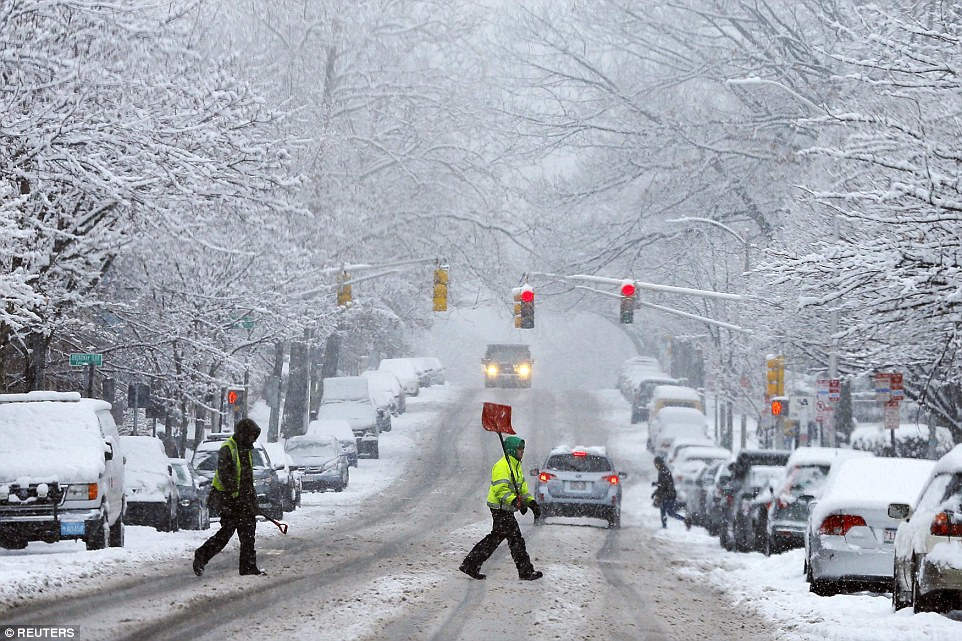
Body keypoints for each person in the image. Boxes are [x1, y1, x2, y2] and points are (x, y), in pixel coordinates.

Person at [459, 435, 543, 581]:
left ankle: (471, 564)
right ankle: (525, 571)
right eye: (519, 449)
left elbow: (522, 489)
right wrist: (513, 501)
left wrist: (531, 503)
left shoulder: (516, 466)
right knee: (515, 539)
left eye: (523, 449)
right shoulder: (502, 466)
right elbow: (500, 489)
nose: (522, 452)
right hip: (499, 507)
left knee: (497, 538)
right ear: (511, 450)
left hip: (506, 508)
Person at [193, 418, 266, 576]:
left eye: (255, 436)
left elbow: (247, 478)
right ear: (243, 434)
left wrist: (252, 500)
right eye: (251, 435)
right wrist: (236, 497)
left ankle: (248, 566)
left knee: (248, 533)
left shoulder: (247, 450)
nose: (253, 439)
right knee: (226, 532)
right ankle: (201, 555)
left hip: (243, 499)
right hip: (227, 499)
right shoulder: (228, 448)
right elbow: (227, 477)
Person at [652, 456, 689, 529]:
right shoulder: (662, 470)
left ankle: (685, 520)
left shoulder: (664, 471)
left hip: (668, 495)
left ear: (659, 463)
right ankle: (664, 526)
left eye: (656, 464)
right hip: (667, 494)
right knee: (664, 511)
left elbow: (665, 484)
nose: (655, 465)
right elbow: (663, 484)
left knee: (669, 512)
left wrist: (657, 485)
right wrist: (656, 491)